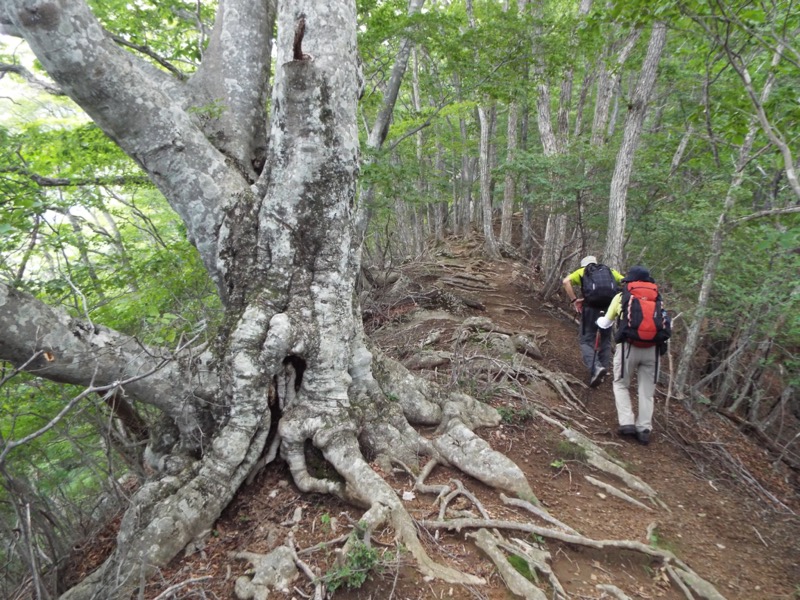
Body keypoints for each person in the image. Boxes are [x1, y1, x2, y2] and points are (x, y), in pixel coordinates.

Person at [596, 265, 669, 446]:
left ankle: (627, 422)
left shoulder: (622, 297)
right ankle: (644, 429)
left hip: (628, 347)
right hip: (653, 350)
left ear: (630, 281)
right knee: (646, 392)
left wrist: (598, 319)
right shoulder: (657, 299)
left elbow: (605, 324)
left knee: (621, 384)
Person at [562, 255, 624, 387]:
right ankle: (604, 368)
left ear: (583, 265)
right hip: (609, 309)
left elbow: (565, 281)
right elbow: (626, 282)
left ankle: (596, 368)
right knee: (606, 339)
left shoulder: (583, 271)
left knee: (586, 340)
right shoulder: (609, 271)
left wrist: (574, 300)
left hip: (590, 309)